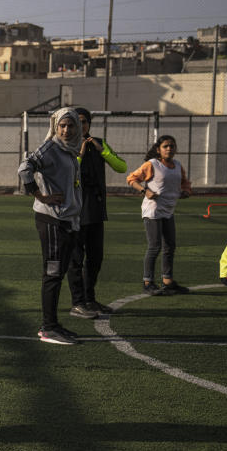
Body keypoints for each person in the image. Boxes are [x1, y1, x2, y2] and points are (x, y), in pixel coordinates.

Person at [16, 107, 84, 346]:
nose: (66, 130)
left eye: (71, 125)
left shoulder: (71, 149)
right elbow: (25, 168)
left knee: (59, 272)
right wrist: (40, 196)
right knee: (53, 274)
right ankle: (47, 328)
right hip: (51, 220)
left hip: (67, 220)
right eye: (62, 125)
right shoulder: (51, 147)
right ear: (55, 127)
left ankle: (54, 324)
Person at [66, 108, 127, 319]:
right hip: (75, 211)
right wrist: (80, 155)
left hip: (95, 209)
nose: (81, 126)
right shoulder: (67, 146)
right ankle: (78, 302)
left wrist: (103, 151)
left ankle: (90, 299)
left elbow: (121, 167)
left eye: (84, 122)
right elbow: (68, 174)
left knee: (96, 257)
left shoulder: (99, 144)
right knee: (75, 259)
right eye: (77, 122)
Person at [126, 135, 192, 295]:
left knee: (170, 246)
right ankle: (148, 282)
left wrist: (186, 191)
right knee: (155, 246)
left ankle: (167, 281)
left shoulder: (177, 165)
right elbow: (131, 178)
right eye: (166, 146)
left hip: (168, 211)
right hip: (153, 211)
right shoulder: (152, 165)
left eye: (172, 146)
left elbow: (185, 183)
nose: (169, 148)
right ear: (158, 149)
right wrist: (144, 191)